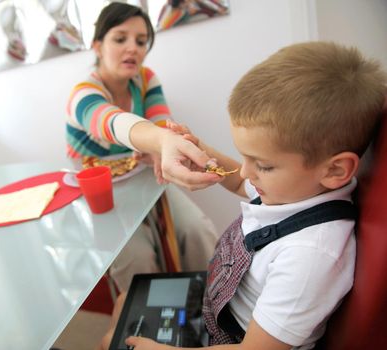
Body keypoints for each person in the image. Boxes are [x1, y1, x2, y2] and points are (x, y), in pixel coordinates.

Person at [98, 41, 387, 350]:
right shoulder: (297, 189)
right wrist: (201, 150)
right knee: (128, 300)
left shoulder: (311, 253)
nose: (247, 172)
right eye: (245, 157)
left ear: (335, 170)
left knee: (111, 342)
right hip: (216, 306)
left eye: (262, 165)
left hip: (234, 340)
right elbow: (238, 181)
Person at [66, 2, 219, 291]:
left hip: (145, 175)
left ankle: (211, 305)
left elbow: (163, 122)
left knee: (197, 230)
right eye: (120, 39)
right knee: (136, 257)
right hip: (102, 192)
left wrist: (161, 144)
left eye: (141, 41)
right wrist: (161, 142)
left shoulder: (146, 79)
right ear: (97, 45)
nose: (133, 48)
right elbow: (110, 122)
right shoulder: (83, 94)